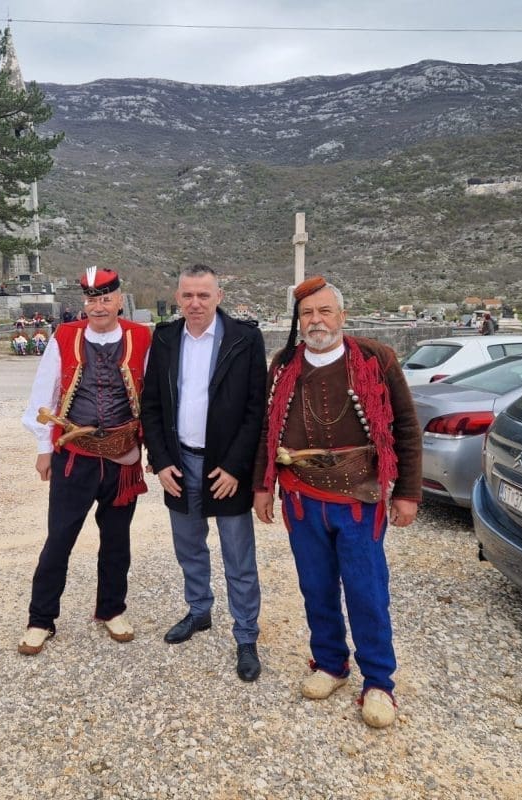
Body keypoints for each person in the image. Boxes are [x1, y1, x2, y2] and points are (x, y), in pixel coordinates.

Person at [253, 276, 421, 728]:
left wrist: (407, 492)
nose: (316, 321)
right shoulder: (284, 364)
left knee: (367, 590)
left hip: (360, 498)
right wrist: (263, 485)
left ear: (342, 316)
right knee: (316, 586)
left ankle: (379, 682)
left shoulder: (376, 359)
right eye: (307, 313)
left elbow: (406, 427)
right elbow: (268, 429)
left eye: (325, 311)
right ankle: (330, 664)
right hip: (302, 498)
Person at [141, 264, 267, 682]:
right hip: (179, 463)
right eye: (188, 295)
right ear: (178, 297)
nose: (195, 303)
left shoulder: (244, 339)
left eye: (203, 295)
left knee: (238, 557)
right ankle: (199, 610)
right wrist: (161, 461)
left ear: (218, 297)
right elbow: (151, 405)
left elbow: (255, 410)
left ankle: (245, 635)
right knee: (189, 547)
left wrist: (234, 467)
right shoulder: (165, 338)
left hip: (224, 467)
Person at [19, 267, 152, 655]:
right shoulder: (65, 336)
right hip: (74, 457)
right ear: (85, 302)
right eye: (93, 300)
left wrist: (156, 452)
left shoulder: (142, 337)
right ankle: (40, 619)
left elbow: (154, 397)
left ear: (119, 299)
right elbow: (44, 394)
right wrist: (44, 447)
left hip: (123, 457)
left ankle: (112, 610)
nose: (99, 306)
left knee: (117, 540)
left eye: (106, 298)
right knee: (59, 539)